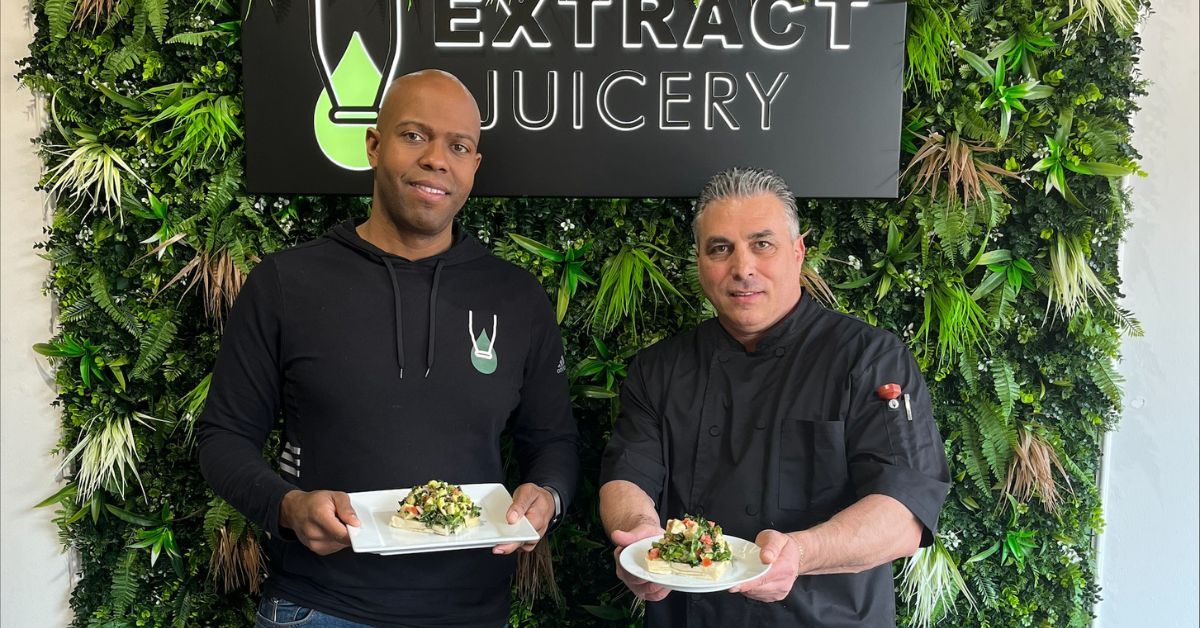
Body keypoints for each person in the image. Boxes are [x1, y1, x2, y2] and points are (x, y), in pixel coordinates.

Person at [198, 69, 579, 628]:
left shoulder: (516, 297)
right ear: (374, 145)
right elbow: (223, 438)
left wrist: (548, 495)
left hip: (471, 612)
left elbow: (553, 442)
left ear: (474, 166)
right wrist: (287, 507)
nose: (436, 160)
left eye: (459, 146)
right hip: (320, 607)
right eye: (415, 135)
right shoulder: (286, 283)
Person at [598, 167, 950, 627]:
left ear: (798, 251)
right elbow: (627, 476)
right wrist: (640, 536)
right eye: (720, 248)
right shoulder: (659, 367)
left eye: (762, 244)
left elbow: (904, 514)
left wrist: (801, 552)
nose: (742, 268)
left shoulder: (868, 358)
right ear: (700, 260)